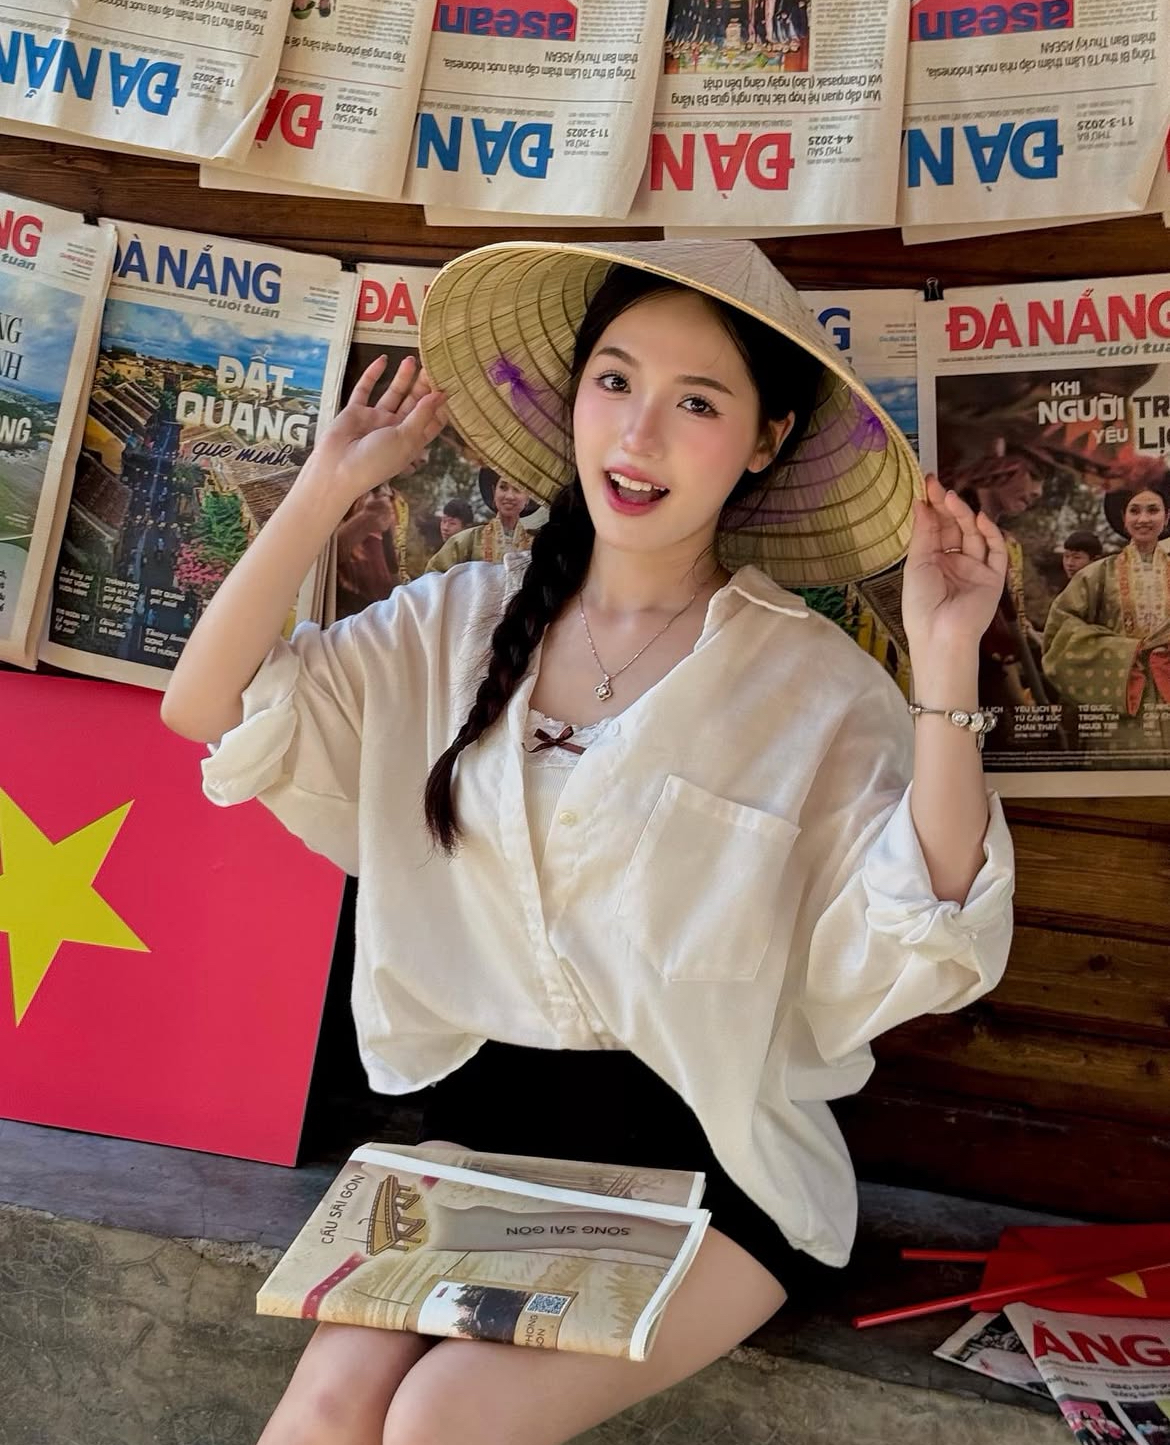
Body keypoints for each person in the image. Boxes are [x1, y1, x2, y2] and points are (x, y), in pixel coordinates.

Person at [163, 240, 1014, 1445]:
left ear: (765, 439)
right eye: (614, 381)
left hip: (712, 1163)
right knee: (329, 1406)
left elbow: (935, 924)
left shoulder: (812, 684)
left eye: (697, 403)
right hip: (477, 1140)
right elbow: (207, 706)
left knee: (444, 1416)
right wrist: (326, 486)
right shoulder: (452, 624)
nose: (638, 432)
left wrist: (946, 653)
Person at [1042, 474, 1170, 751]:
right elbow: (1059, 630)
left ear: (1166, 517)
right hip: (1119, 694)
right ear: (1124, 519)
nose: (1143, 519)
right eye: (1134, 511)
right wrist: (1125, 652)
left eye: (1153, 510)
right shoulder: (1096, 574)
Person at [333, 479, 431, 620]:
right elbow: (320, 558)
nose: (386, 493)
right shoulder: (347, 492)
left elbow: (394, 562)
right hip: (349, 612)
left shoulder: (398, 503)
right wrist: (363, 521)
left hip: (382, 613)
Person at [425, 469, 535, 572]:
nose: (509, 496)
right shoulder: (468, 539)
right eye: (503, 487)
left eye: (517, 489)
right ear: (494, 492)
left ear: (528, 498)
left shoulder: (536, 546)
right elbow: (433, 575)